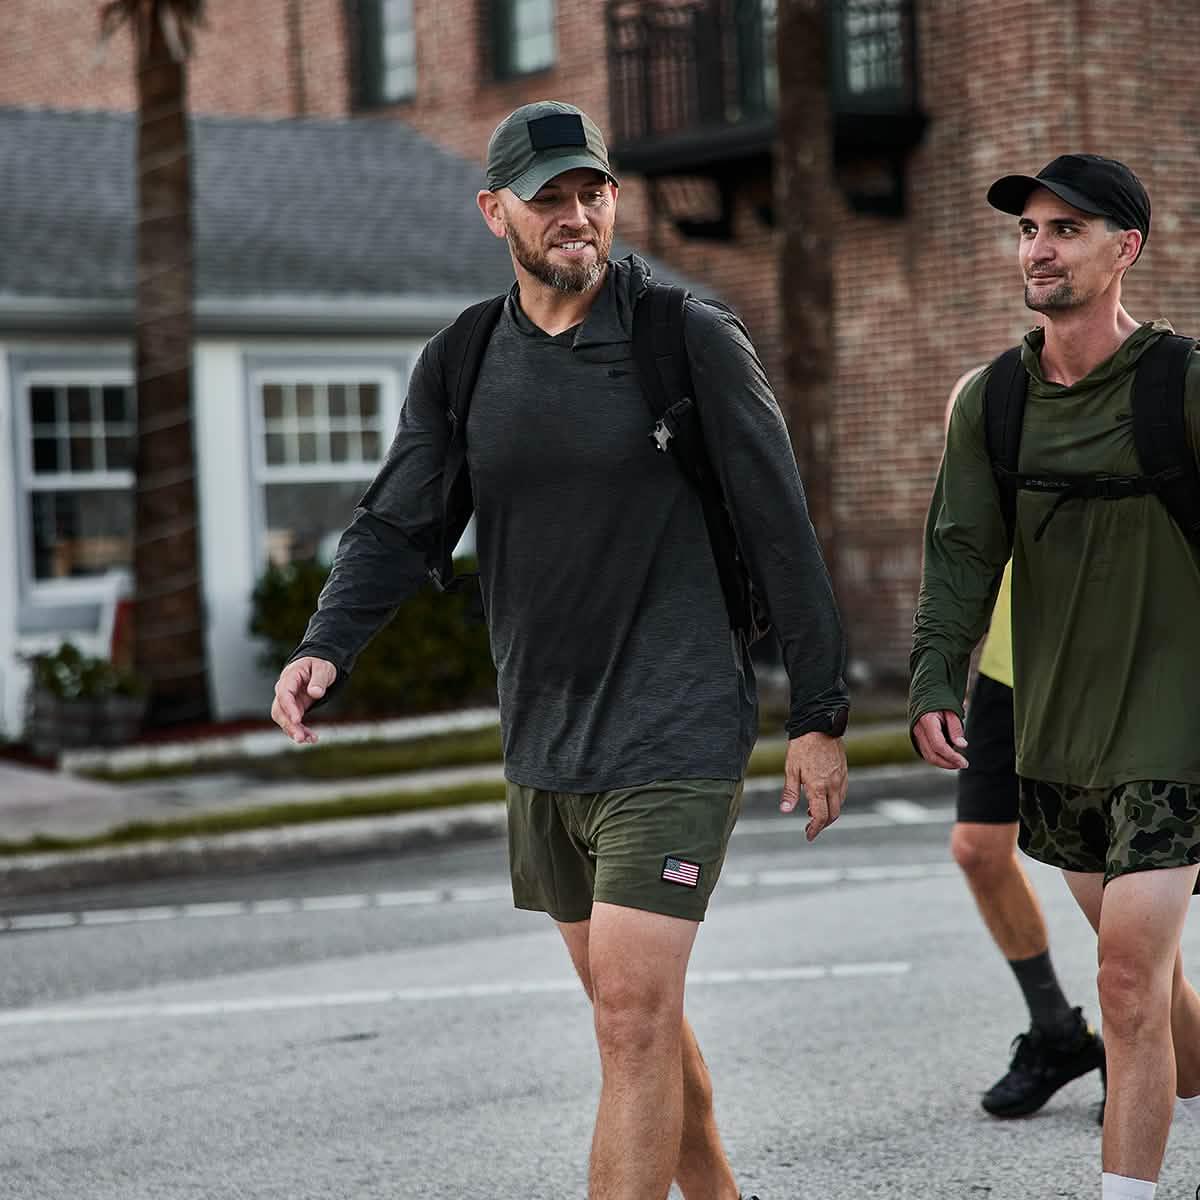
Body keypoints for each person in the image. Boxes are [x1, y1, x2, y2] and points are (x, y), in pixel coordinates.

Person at [270, 99, 850, 1200]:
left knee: (630, 1019)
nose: (577, 215)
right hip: (545, 741)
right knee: (638, 1022)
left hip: (675, 727)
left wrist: (819, 715)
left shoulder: (686, 337)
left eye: (593, 193)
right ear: (496, 213)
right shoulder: (463, 359)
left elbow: (781, 526)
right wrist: (325, 644)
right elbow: (399, 524)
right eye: (550, 199)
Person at [910, 153, 1200, 1200]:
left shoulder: (1182, 384)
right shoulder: (993, 401)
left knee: (1122, 981)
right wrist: (933, 678)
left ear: (1126, 249)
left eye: (1066, 230)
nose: (1039, 248)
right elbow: (960, 554)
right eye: (1029, 230)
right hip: (1056, 736)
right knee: (1148, 987)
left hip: (1173, 731)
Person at [943, 367, 1105, 1121]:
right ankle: (1058, 1032)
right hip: (1008, 671)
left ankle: (1143, 1045)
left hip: (1098, 674)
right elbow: (965, 544)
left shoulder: (1131, 401)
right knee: (979, 850)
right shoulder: (988, 396)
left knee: (1116, 892)